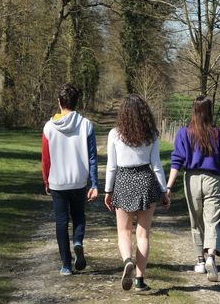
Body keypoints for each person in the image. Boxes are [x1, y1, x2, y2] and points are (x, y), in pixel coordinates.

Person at [104, 94, 169, 292]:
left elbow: (111, 167)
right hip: (146, 181)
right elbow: (156, 165)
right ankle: (140, 280)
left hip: (123, 181)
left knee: (124, 231)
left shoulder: (114, 134)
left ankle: (127, 261)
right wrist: (164, 190)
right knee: (143, 234)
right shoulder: (152, 135)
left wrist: (108, 190)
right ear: (144, 113)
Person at [166, 95, 220, 282]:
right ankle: (211, 256)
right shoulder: (219, 133)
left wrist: (169, 186)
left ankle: (200, 261)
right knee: (213, 221)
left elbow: (176, 161)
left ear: (194, 110)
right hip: (213, 179)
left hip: (191, 179)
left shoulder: (184, 133)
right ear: (210, 111)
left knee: (196, 221)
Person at [42, 83, 99, 276]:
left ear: (59, 102)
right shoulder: (86, 125)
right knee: (79, 216)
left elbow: (46, 158)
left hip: (57, 181)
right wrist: (94, 183)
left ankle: (66, 265)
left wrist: (46, 181)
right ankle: (78, 242)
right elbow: (92, 157)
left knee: (61, 222)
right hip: (78, 181)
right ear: (77, 103)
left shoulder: (49, 127)